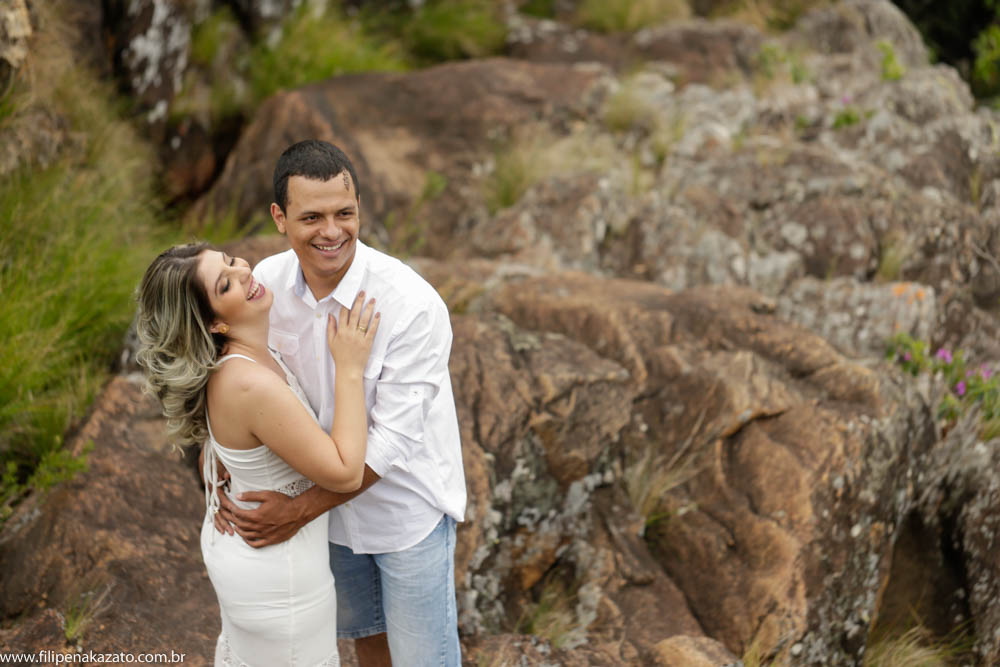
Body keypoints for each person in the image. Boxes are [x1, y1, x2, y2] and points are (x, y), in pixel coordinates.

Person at [212, 139, 467, 667]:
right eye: (312, 217)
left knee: (423, 659)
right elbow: (238, 370)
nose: (332, 232)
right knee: (368, 645)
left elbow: (393, 439)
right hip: (330, 523)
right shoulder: (266, 287)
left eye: (344, 213)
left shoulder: (410, 304)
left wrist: (298, 511)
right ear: (280, 218)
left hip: (404, 513)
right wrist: (217, 454)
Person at [135, 242, 380, 666]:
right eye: (225, 283)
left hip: (254, 558)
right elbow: (344, 472)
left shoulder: (241, 361)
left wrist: (221, 460)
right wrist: (351, 369)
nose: (244, 272)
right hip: (278, 577)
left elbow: (228, 437)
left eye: (231, 261)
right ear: (213, 323)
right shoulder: (248, 383)